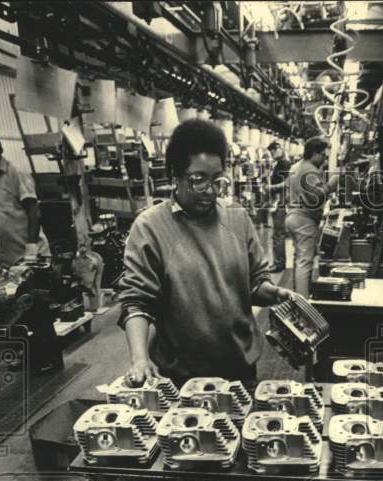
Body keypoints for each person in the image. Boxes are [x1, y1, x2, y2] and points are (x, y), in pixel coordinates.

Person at [118, 120, 292, 386]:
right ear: (174, 174)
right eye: (198, 180)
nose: (210, 191)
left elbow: (254, 282)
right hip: (181, 377)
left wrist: (274, 293)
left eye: (217, 180)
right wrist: (140, 358)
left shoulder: (237, 217)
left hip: (241, 370)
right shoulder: (151, 227)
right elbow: (137, 302)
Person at [0, 123, 62, 374]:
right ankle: (35, 357)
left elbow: (34, 210)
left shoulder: (15, 172)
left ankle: (52, 360)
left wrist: (31, 250)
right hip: (8, 259)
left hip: (29, 256)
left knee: (37, 309)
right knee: (20, 312)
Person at [285, 136, 339, 297]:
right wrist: (332, 184)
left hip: (295, 216)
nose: (324, 158)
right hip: (304, 219)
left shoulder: (297, 167)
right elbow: (315, 197)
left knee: (299, 259)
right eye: (323, 155)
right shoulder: (309, 170)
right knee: (305, 262)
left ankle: (297, 298)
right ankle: (303, 305)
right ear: (314, 153)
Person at [267, 140, 291, 272]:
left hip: (280, 201)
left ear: (280, 149)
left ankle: (279, 263)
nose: (272, 153)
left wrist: (272, 187)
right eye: (271, 152)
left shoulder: (284, 164)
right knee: (277, 233)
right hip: (277, 201)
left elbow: (287, 183)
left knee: (278, 234)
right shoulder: (278, 164)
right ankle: (278, 262)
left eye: (274, 151)